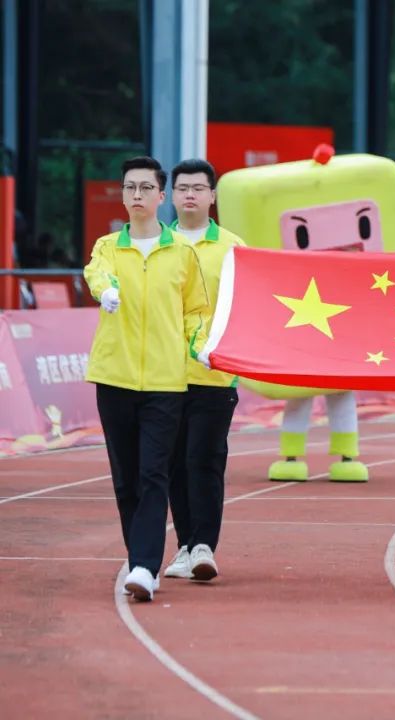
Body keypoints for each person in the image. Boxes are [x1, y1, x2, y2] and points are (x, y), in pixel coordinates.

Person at [83, 156, 209, 601]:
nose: (137, 195)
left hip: (165, 381)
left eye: (145, 188)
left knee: (154, 473)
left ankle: (143, 566)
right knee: (126, 479)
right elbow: (95, 273)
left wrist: (199, 346)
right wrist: (105, 290)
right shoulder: (107, 248)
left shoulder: (182, 253)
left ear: (161, 196)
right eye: (129, 188)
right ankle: (141, 557)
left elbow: (195, 311)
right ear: (123, 195)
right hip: (113, 376)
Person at [162, 159, 246, 583]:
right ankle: (184, 545)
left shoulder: (233, 248)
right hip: (163, 374)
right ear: (171, 196)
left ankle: (203, 546)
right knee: (174, 463)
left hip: (214, 374)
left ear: (213, 196)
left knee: (204, 459)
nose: (190, 195)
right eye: (183, 188)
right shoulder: (158, 244)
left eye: (198, 188)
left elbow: (250, 304)